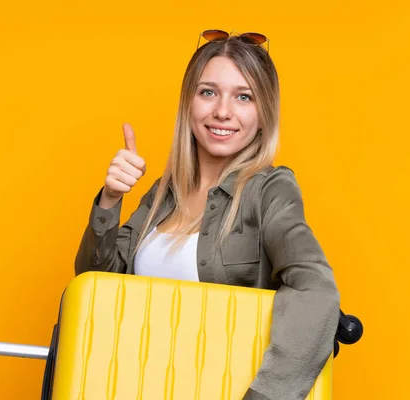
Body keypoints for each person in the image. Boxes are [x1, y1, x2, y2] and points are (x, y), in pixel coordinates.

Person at [74, 30, 340, 400]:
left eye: (243, 96)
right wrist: (110, 199)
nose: (222, 111)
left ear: (264, 114)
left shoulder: (269, 190)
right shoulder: (164, 193)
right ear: (189, 103)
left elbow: (317, 290)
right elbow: (93, 287)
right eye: (208, 92)